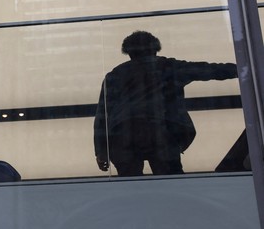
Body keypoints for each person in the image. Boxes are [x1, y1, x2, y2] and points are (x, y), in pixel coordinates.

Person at [94, 31, 237, 176]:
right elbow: (210, 70)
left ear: (128, 52)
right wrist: (243, 69)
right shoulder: (169, 67)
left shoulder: (115, 75)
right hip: (162, 128)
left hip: (123, 132)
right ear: (155, 49)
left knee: (130, 185)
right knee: (171, 180)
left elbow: (102, 115)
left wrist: (101, 150)